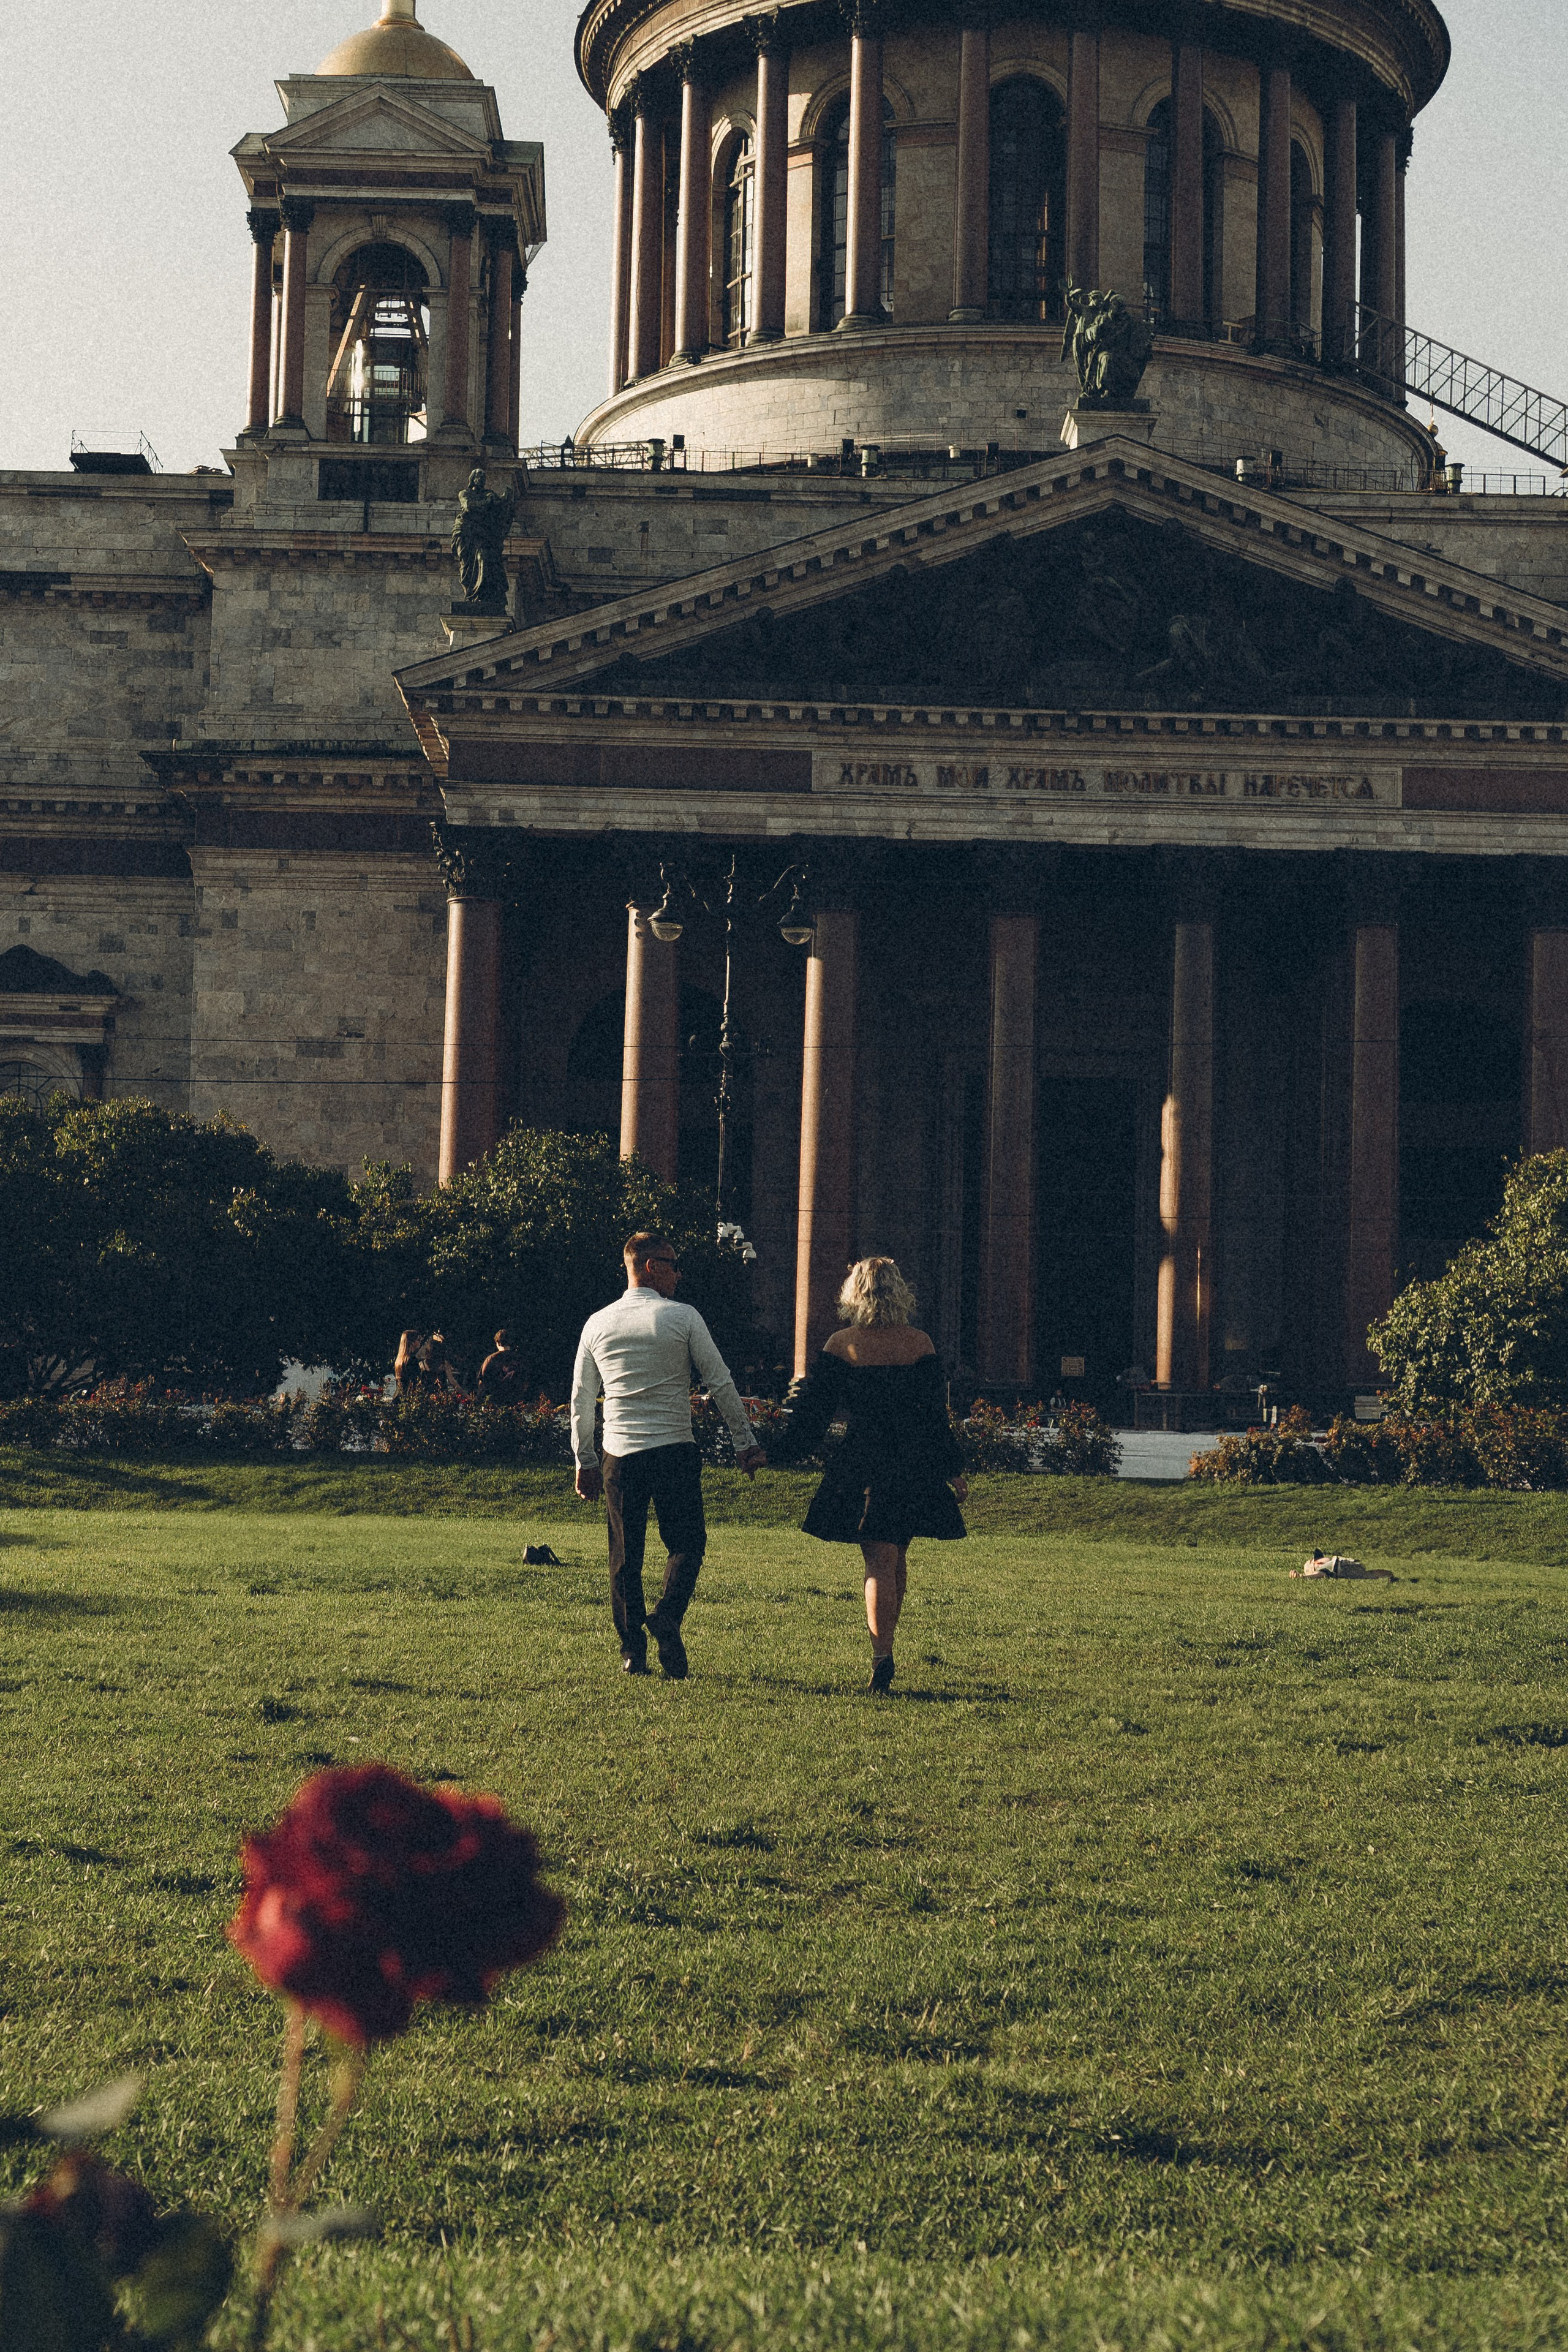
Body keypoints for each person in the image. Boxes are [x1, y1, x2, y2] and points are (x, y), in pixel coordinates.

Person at [767, 1256, 967, 1694]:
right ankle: (888, 1647)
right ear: (900, 1291)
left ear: (853, 1293)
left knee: (879, 1561)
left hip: (863, 1460)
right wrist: (952, 1470)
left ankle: (882, 1657)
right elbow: (935, 1418)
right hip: (913, 1463)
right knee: (895, 1558)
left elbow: (813, 1418)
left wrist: (774, 1452)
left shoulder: (841, 1344)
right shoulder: (920, 1344)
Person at [572, 1232, 765, 1678]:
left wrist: (584, 1460)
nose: (680, 1273)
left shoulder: (598, 1324)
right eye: (673, 1264)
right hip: (675, 1449)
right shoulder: (683, 1318)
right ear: (650, 1267)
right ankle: (667, 1616)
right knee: (687, 1543)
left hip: (620, 1454)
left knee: (625, 1555)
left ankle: (631, 1651)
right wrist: (746, 1442)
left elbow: (582, 1399)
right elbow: (720, 1382)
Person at [478, 1328, 526, 1403]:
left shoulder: (491, 1359)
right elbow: (525, 1381)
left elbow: (483, 1381)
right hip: (515, 1400)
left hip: (496, 1401)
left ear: (498, 1343)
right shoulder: (519, 1359)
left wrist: (478, 1398)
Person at [393, 1330, 424, 1398]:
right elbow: (415, 1381)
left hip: (399, 1396)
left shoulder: (400, 1360)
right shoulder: (412, 1360)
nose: (420, 1342)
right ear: (412, 1342)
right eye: (418, 1340)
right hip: (409, 1397)